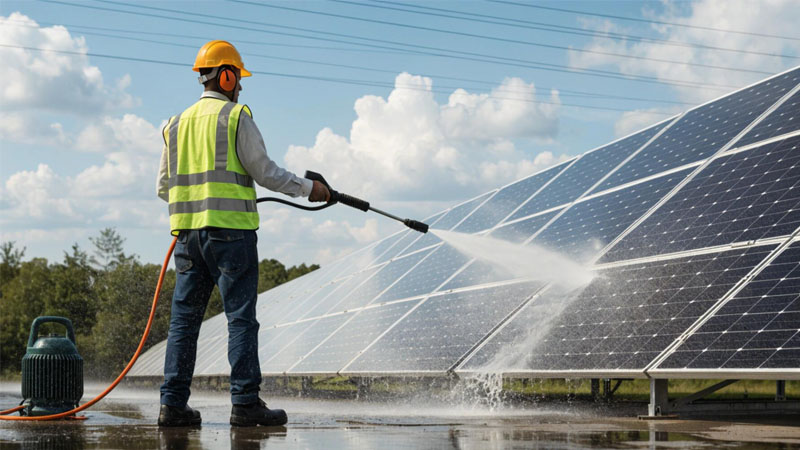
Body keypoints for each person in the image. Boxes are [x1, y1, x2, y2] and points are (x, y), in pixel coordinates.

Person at [155, 40, 330, 427]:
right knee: (241, 320)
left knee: (184, 322)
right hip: (231, 236)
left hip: (187, 239)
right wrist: (310, 189)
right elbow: (265, 173)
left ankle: (172, 406)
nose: (240, 88)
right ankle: (245, 404)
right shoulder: (235, 118)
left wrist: (196, 206)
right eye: (238, 79)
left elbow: (163, 187)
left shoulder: (175, 124)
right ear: (227, 75)